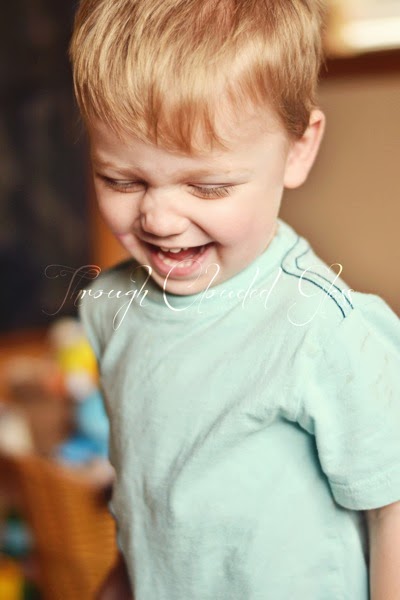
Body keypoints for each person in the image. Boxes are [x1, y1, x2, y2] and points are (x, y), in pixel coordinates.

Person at [69, 1, 400, 598]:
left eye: (208, 186)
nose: (159, 218)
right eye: (123, 180)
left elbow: (392, 508)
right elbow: (152, 496)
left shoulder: (326, 329)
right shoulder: (109, 307)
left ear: (298, 150)